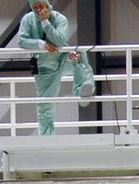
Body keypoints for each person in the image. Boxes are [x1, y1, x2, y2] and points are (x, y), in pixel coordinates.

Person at [18, 1, 95, 137]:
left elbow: (60, 40)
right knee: (45, 105)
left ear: (47, 5)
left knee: (79, 54)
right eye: (34, 7)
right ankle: (47, 136)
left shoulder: (60, 19)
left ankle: (83, 88)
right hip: (44, 67)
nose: (38, 10)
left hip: (64, 59)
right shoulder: (27, 20)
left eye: (40, 6)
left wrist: (45, 23)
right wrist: (41, 44)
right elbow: (22, 41)